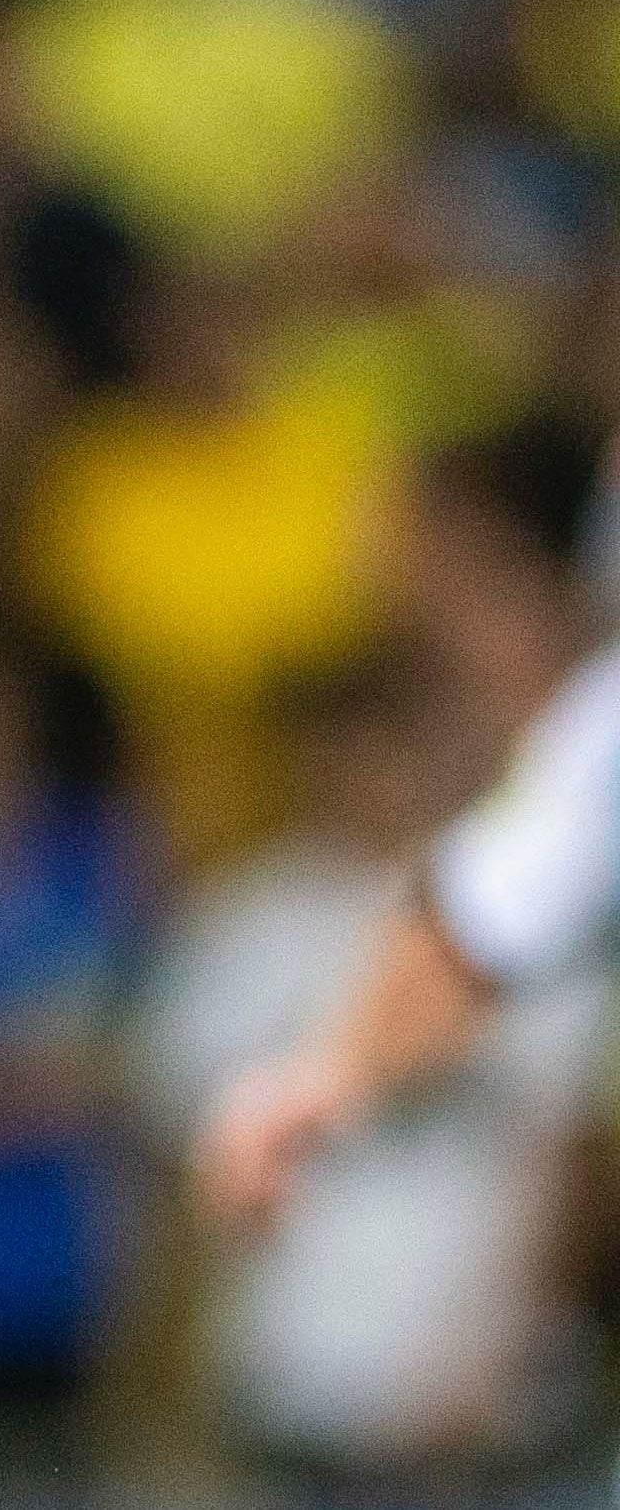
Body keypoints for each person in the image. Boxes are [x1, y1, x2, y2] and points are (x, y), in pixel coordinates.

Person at [192, 414, 620, 1489]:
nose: (400, 592)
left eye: (427, 559)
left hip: (514, 1404)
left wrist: (320, 1078)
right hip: (350, 1398)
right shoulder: (559, 777)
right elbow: (483, 913)